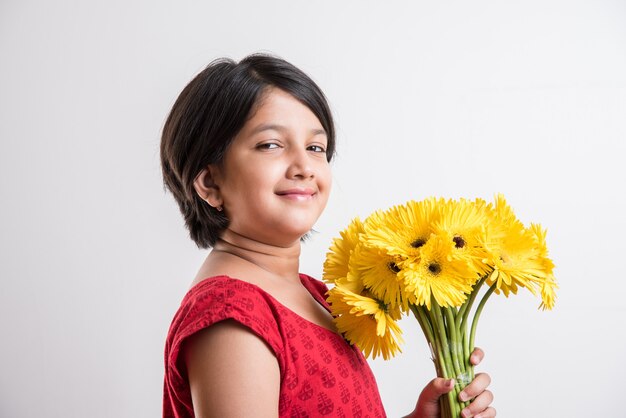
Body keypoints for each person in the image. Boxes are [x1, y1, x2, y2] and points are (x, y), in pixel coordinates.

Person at [161, 53, 496, 418]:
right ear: (210, 182)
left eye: (315, 148)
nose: (304, 166)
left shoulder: (311, 293)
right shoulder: (231, 317)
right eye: (271, 144)